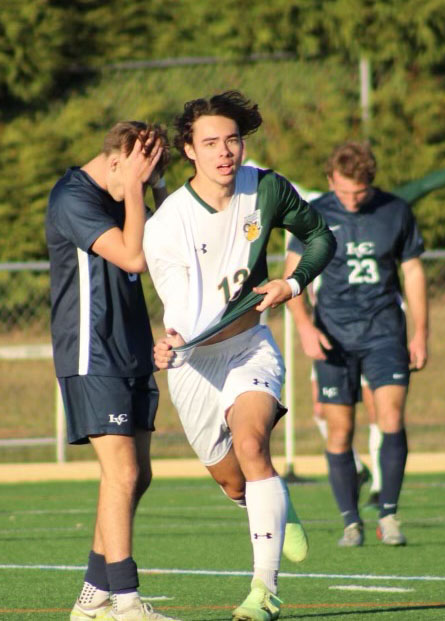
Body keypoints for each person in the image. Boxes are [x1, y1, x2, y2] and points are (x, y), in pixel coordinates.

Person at [144, 91, 335, 621]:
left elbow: (320, 238)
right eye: (211, 143)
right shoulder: (167, 225)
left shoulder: (267, 186)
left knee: (252, 446)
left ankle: (264, 590)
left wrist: (292, 284)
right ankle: (275, 499)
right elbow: (181, 308)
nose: (225, 151)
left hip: (250, 347)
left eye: (232, 139)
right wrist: (172, 341)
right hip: (193, 364)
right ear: (189, 150)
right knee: (234, 481)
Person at [283, 139, 445, 548]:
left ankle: (389, 513)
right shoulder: (312, 214)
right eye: (344, 191)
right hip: (332, 337)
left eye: (360, 192)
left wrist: (421, 332)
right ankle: (350, 521)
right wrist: (304, 326)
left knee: (391, 418)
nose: (352, 201)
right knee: (339, 431)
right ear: (330, 180)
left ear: (372, 183)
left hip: (385, 332)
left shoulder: (395, 210)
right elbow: (292, 274)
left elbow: (414, 274)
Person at [46, 121, 180, 621]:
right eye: (141, 175)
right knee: (120, 472)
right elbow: (134, 255)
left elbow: (169, 239)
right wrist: (137, 193)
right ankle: (126, 602)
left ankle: (94, 596)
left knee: (137, 476)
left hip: (131, 349)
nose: (143, 189)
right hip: (92, 352)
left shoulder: (127, 192)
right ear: (118, 158)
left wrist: (155, 186)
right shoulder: (71, 197)